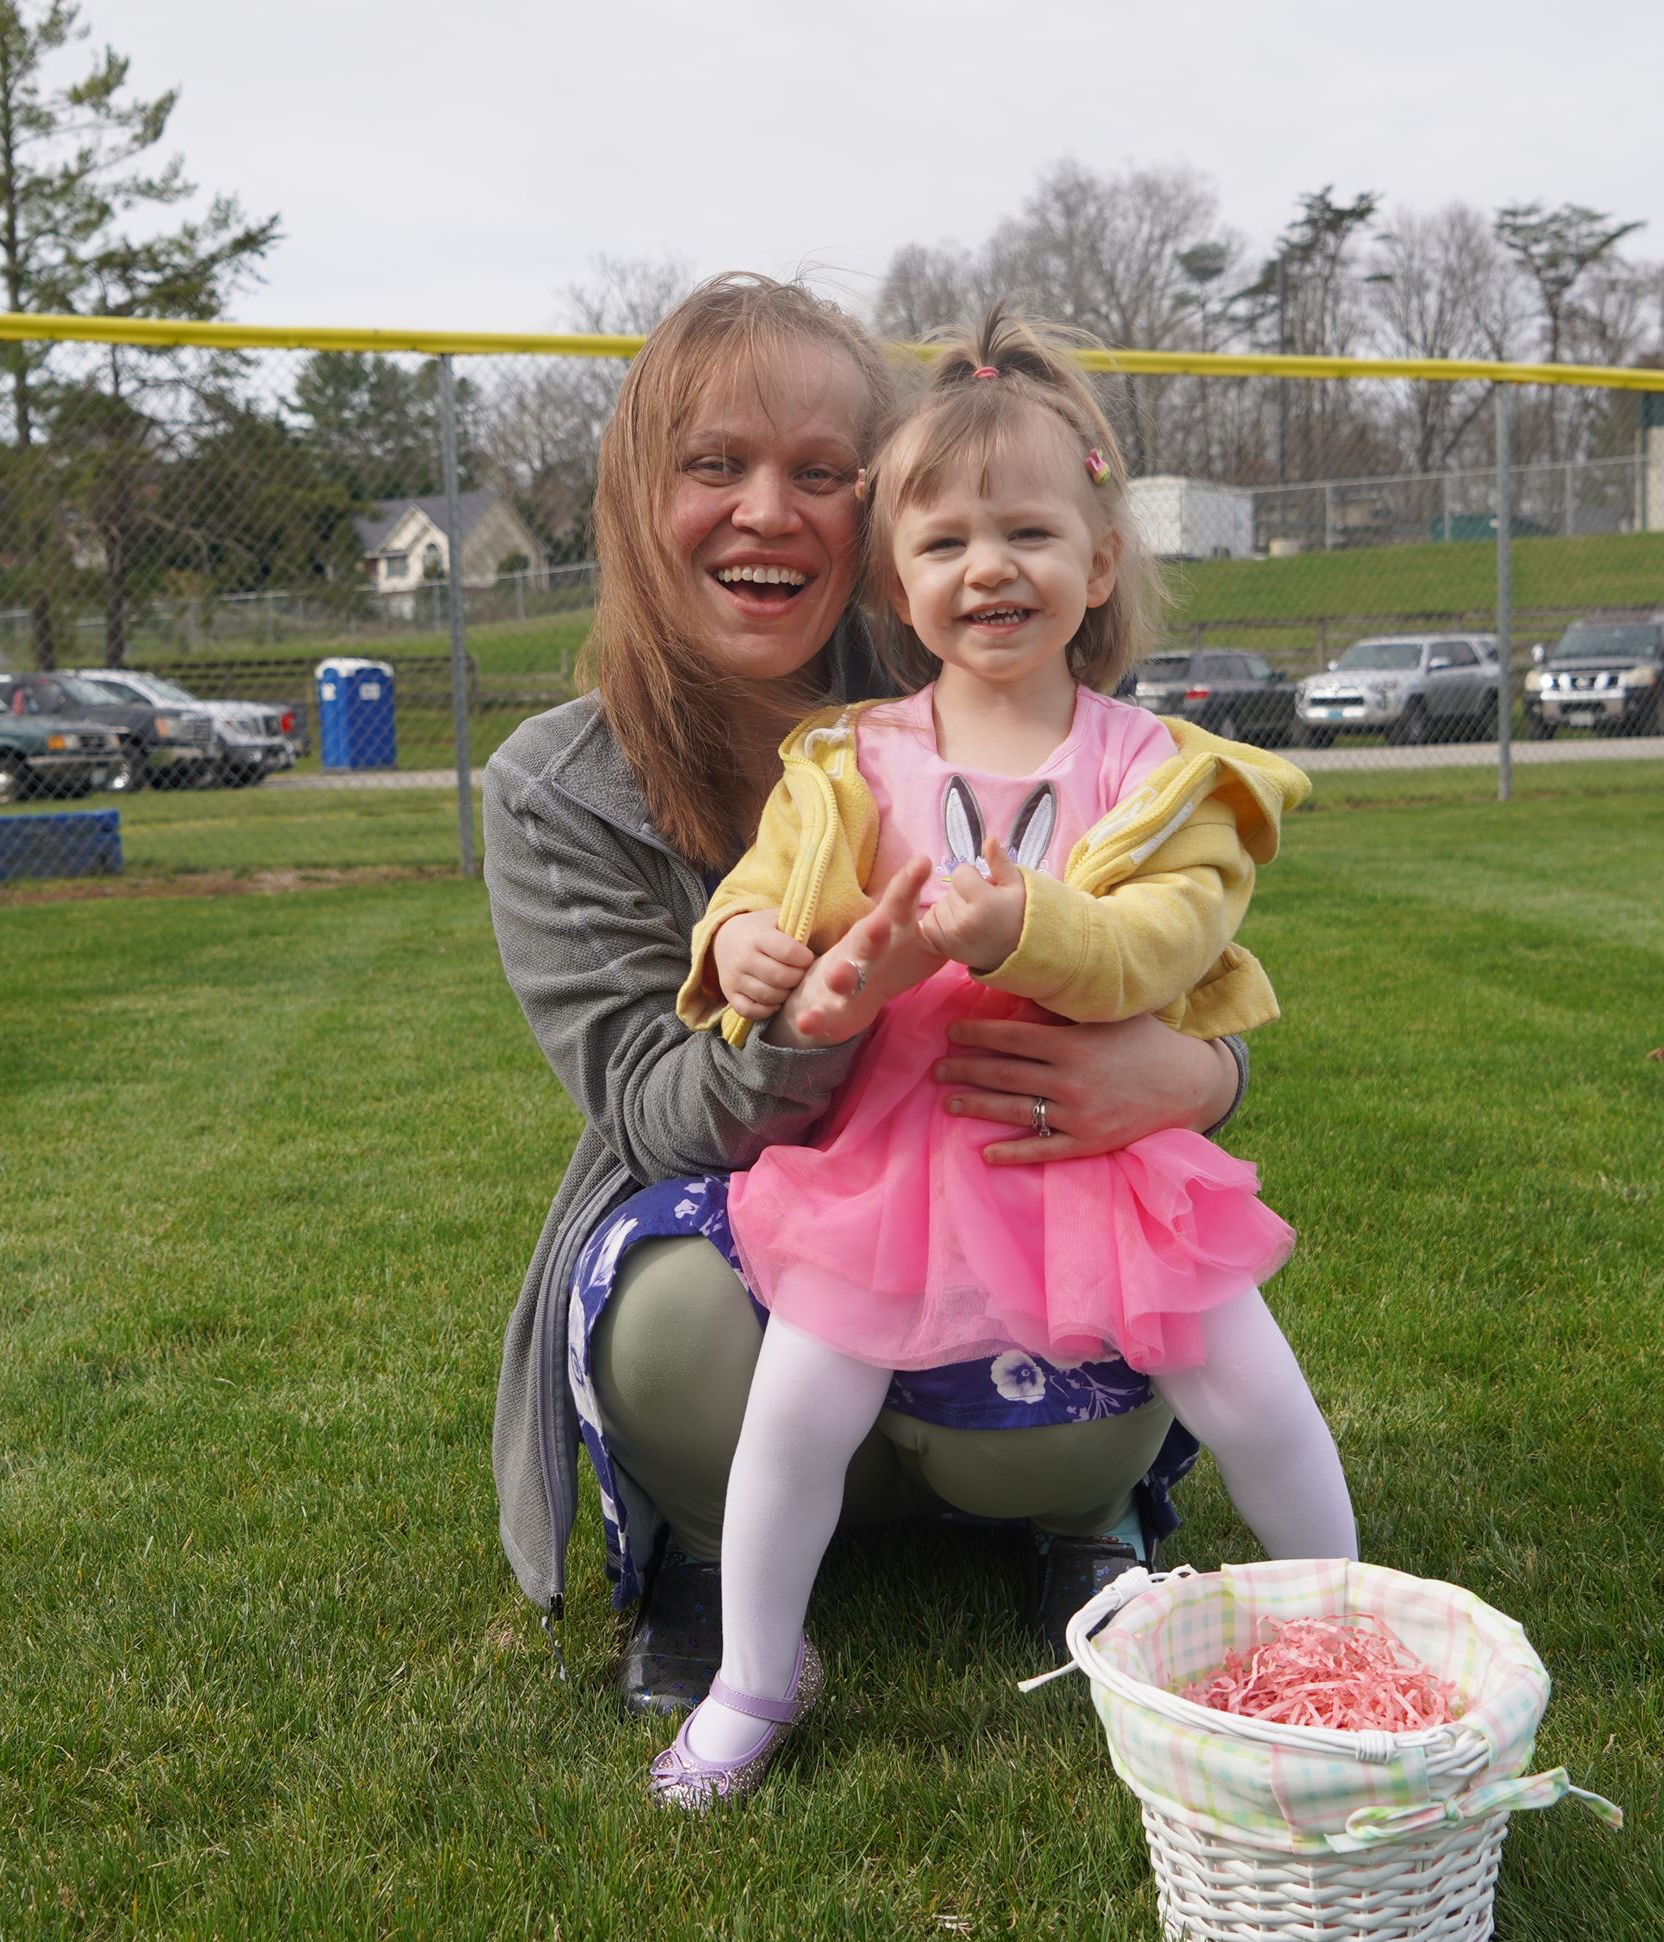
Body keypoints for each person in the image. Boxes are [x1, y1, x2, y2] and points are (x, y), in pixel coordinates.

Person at [483, 276, 1254, 1718]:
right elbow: (658, 1110)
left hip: (991, 1174)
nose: (768, 510)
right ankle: (715, 1556)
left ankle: (1071, 1515)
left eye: (820, 473)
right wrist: (820, 1008)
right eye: (714, 465)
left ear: (880, 507)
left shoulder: (996, 674)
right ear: (634, 497)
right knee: (671, 1316)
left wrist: (1201, 1080)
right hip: (756, 1253)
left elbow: (1173, 954)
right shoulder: (553, 783)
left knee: (1138, 1245)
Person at [648, 311, 1357, 1807]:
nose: (991, 568)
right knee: (798, 1409)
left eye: (1031, 532)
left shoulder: (1159, 772)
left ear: (1098, 564)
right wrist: (751, 955)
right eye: (949, 540)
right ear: (899, 586)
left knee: (1252, 1385)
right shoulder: (848, 760)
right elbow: (765, 890)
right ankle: (754, 1675)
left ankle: (1346, 1636)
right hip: (901, 1155)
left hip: (1097, 1147)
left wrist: (1015, 920)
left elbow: (1164, 945)